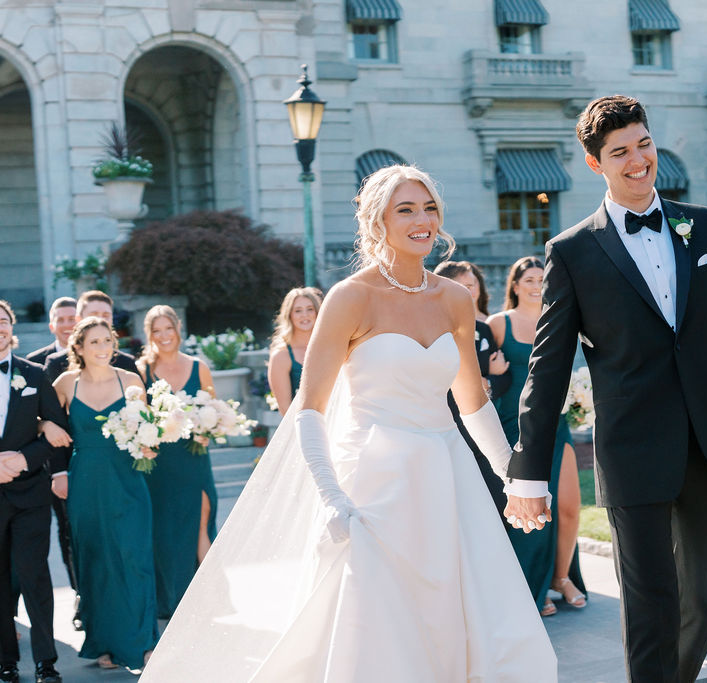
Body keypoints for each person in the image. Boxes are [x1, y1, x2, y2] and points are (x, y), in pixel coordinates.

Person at [140, 165, 556, 682]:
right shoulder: (349, 297)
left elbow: (472, 402)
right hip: (375, 484)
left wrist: (512, 477)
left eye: (428, 208)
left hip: (448, 477)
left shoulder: (454, 299)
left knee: (464, 615)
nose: (422, 220)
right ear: (377, 220)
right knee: (377, 626)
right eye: (405, 209)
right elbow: (308, 409)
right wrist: (333, 497)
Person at [504, 95, 707, 682]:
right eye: (620, 151)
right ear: (597, 164)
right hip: (632, 450)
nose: (637, 160)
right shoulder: (570, 252)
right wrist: (526, 471)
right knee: (650, 604)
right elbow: (547, 368)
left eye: (643, 144)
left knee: (702, 601)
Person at [52, 317, 158, 671]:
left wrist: (150, 444)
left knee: (135, 558)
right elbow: (38, 417)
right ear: (78, 348)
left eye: (106, 341)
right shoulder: (66, 383)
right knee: (95, 560)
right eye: (93, 342)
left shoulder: (130, 380)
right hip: (86, 482)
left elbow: (146, 429)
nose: (102, 348)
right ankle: (104, 644)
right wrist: (46, 423)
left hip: (127, 479)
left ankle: (142, 643)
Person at [488, 257, 586, 617]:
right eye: (529, 279)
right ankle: (537, 585)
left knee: (569, 506)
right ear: (514, 285)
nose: (535, 285)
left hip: (557, 426)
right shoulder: (500, 324)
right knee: (532, 513)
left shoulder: (559, 319)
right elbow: (484, 374)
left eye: (542, 279)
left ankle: (562, 578)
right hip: (513, 429)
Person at [135, 305, 217, 619]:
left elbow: (214, 409)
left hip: (194, 458)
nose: (164, 336)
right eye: (157, 330)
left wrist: (208, 430)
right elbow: (139, 417)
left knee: (199, 520)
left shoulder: (199, 367)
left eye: (168, 328)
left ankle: (207, 596)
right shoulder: (142, 371)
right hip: (160, 464)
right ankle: (170, 599)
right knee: (165, 530)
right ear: (149, 335)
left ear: (178, 329)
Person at [0, 300, 65, 683]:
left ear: (12, 326)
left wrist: (23, 459)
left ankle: (46, 662)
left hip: (30, 496)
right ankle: (6, 662)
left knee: (34, 575)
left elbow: (55, 433)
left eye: (3, 321)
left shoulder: (35, 374)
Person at [433, 260, 511, 516]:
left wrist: (488, 382)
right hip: (444, 431)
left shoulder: (484, 329)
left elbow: (504, 377)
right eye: (461, 286)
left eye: (471, 285)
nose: (468, 292)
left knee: (493, 507)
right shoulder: (431, 329)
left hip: (480, 430)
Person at [43, 292, 140, 383]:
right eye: (93, 315)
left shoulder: (127, 362)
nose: (100, 320)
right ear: (78, 319)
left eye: (106, 315)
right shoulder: (56, 363)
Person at [267, 287, 323, 416]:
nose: (305, 315)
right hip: (303, 425)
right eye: (298, 311)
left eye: (310, 309)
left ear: (318, 312)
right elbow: (285, 410)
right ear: (289, 315)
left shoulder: (330, 347)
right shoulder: (281, 356)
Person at [26, 298, 77, 365]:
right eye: (60, 320)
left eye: (72, 319)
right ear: (51, 327)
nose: (66, 325)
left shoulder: (93, 355)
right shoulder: (35, 361)